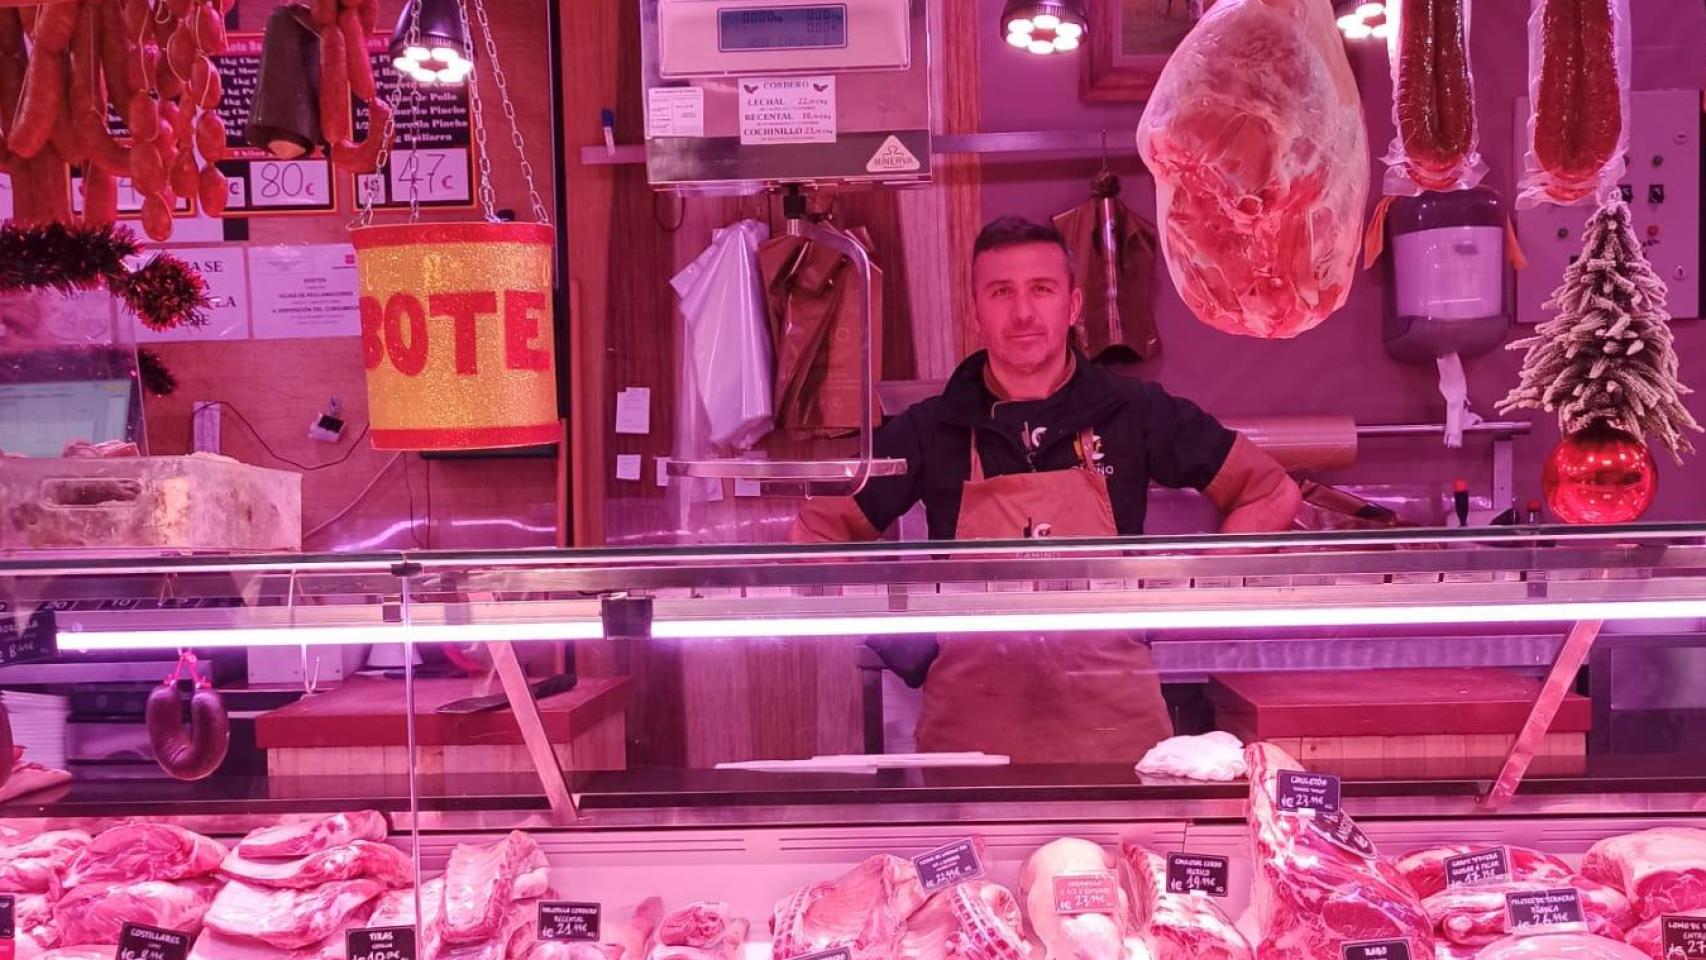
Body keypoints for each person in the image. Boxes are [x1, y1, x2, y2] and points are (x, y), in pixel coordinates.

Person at [791, 216, 1301, 764]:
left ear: (1074, 305)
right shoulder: (928, 429)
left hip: (1115, 741)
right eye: (1001, 292)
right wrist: (909, 640)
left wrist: (1189, 590)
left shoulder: (1135, 412)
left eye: (1042, 289)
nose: (1024, 312)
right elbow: (814, 532)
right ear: (976, 312)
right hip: (971, 746)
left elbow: (1271, 494)